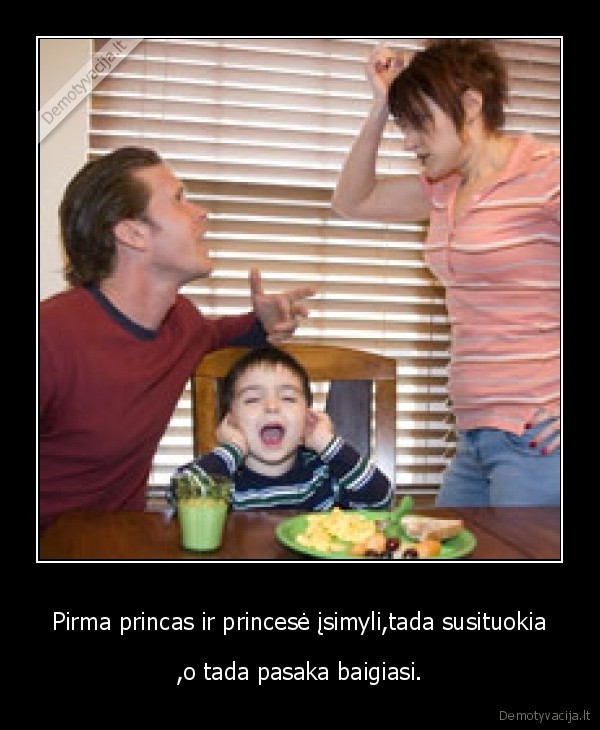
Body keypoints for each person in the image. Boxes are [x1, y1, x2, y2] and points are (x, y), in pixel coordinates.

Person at [331, 39, 560, 507]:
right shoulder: (444, 188)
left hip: (537, 436)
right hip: (475, 435)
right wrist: (380, 106)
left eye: (419, 123)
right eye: (403, 125)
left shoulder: (547, 172)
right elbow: (351, 201)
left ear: (471, 105)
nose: (409, 141)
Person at [39, 146, 316, 529]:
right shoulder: (50, 336)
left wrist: (263, 323)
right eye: (179, 199)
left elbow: (221, 335)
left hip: (123, 541)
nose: (200, 213)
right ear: (133, 233)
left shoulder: (181, 323)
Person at [170, 345, 393, 510]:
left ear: (308, 417)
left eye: (288, 398)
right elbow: (178, 495)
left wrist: (325, 442)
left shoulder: (321, 475)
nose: (272, 406)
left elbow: (380, 499)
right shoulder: (223, 479)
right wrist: (233, 448)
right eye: (252, 399)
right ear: (232, 422)